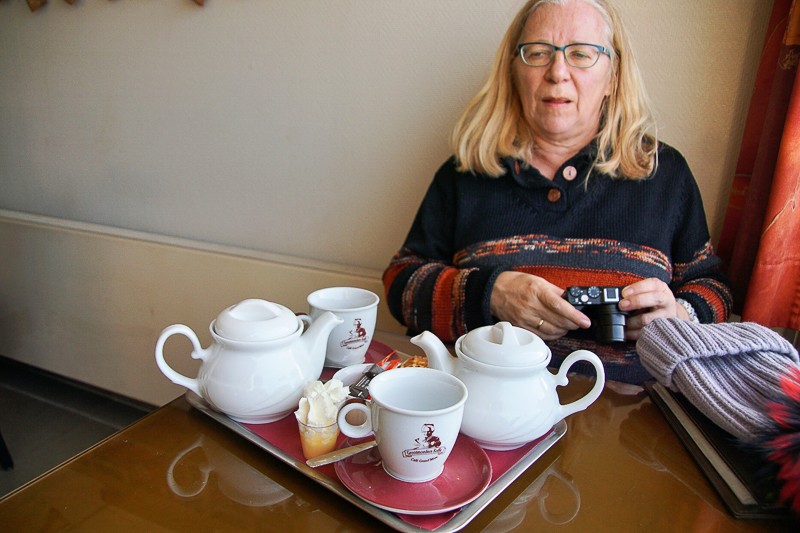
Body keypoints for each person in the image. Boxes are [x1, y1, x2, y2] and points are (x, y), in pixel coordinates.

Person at [382, 0, 732, 384]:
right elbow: (402, 285)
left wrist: (679, 315)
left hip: (632, 412)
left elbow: (714, 287)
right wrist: (490, 293)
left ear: (613, 76)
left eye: (580, 54)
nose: (557, 72)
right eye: (538, 53)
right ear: (514, 71)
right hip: (489, 406)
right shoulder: (466, 173)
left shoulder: (663, 173)